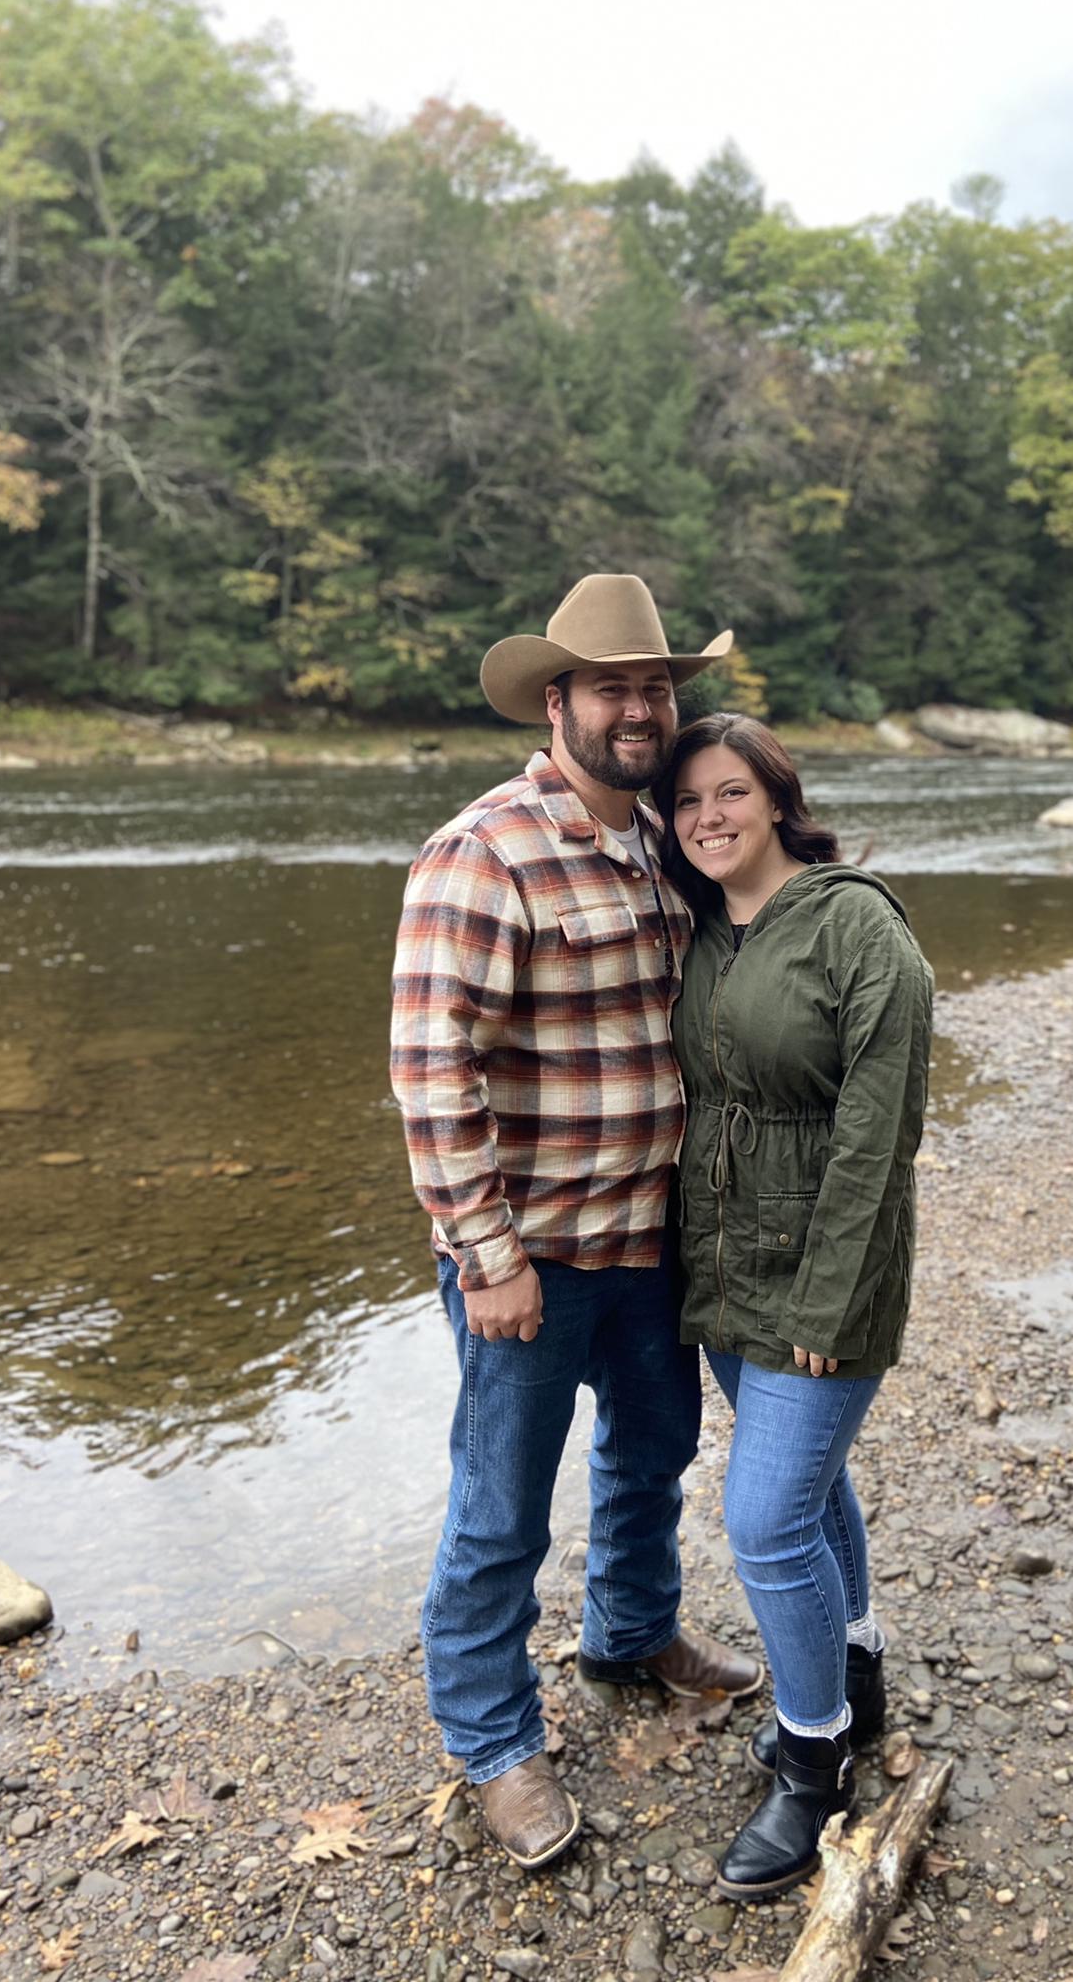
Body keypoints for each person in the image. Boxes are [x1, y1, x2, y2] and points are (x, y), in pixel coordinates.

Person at [390, 577, 762, 1872]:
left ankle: (629, 1635)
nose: (639, 708)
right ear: (558, 702)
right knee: (500, 1510)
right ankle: (493, 1743)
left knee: (651, 1456)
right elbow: (433, 1069)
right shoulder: (482, 851)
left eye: (656, 687)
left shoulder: (667, 840)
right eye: (613, 687)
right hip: (532, 1263)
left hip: (652, 1245)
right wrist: (483, 1256)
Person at [652, 713, 933, 1899]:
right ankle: (857, 1665)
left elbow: (880, 1133)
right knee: (817, 1490)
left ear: (777, 797)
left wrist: (828, 1295)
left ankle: (813, 1755)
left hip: (829, 1274)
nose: (708, 818)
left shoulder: (856, 923)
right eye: (687, 804)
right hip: (725, 1271)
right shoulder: (709, 930)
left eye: (730, 794)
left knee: (765, 1520)